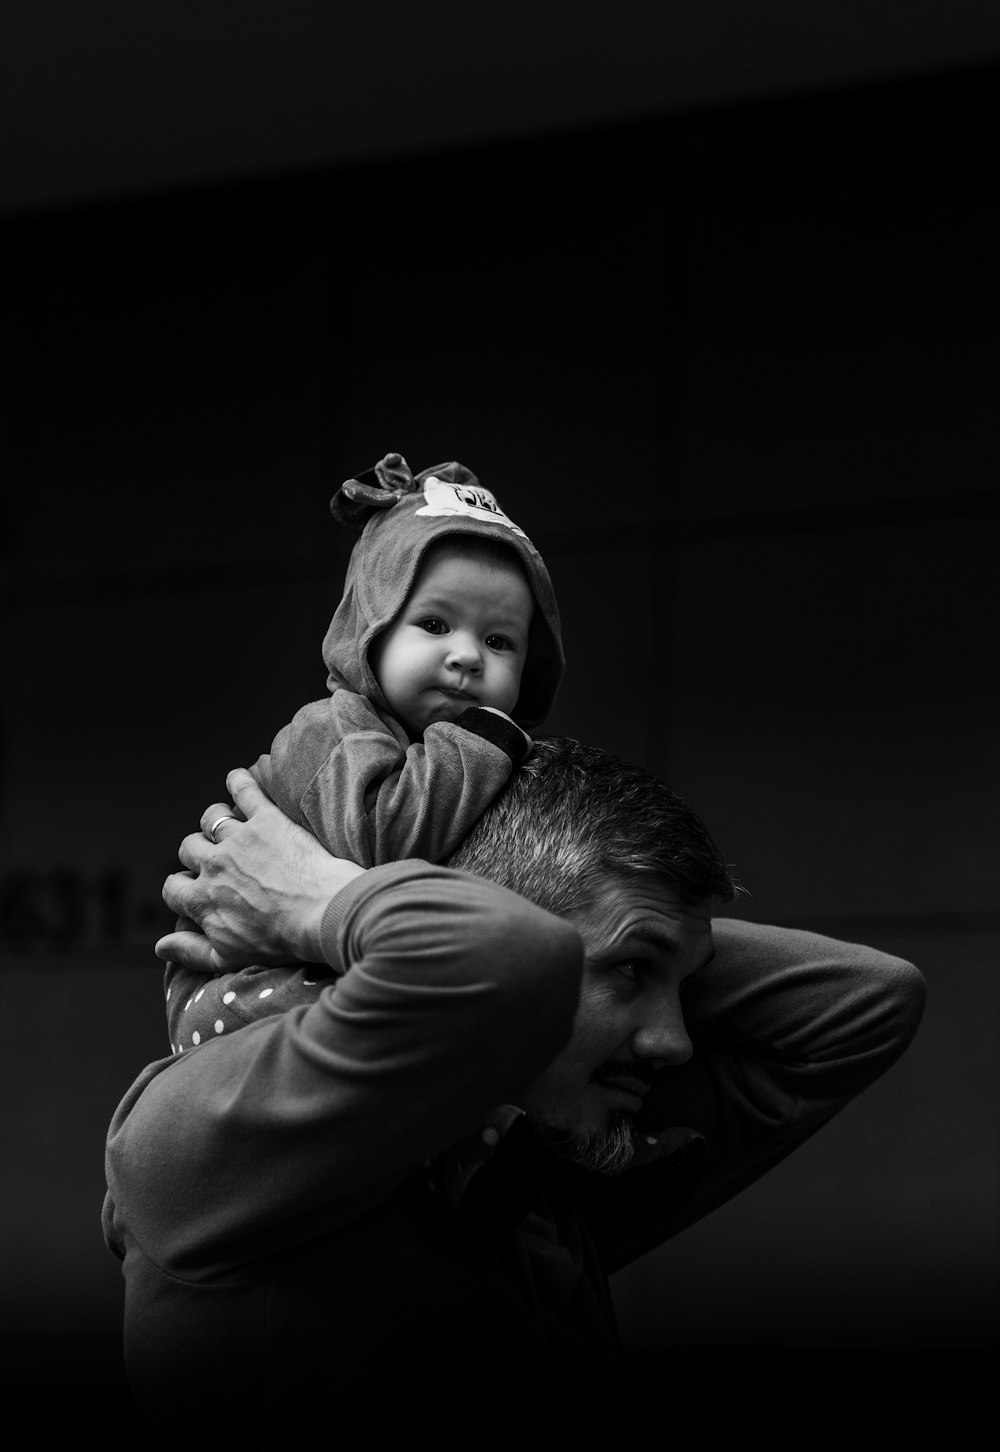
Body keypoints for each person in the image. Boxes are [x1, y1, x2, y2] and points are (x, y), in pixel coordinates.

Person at [103, 738, 926, 1440]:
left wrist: (655, 946)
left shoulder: (538, 1161)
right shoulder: (208, 1142)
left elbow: (867, 1001)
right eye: (631, 972)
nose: (673, 1041)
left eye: (678, 989)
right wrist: (327, 902)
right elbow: (508, 953)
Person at [165, 449, 564, 1053]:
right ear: (367, 630)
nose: (467, 655)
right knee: (437, 1022)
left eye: (499, 639)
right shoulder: (334, 732)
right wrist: (486, 740)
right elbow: (386, 843)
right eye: (433, 624)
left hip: (308, 971)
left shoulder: (438, 750)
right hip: (235, 990)